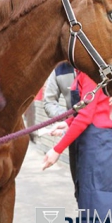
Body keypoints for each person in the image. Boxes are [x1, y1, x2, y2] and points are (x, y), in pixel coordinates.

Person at [42, 71, 112, 223]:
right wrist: (67, 123)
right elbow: (85, 110)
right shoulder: (79, 73)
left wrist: (57, 149)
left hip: (99, 147)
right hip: (91, 145)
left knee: (99, 208)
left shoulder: (89, 74)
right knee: (87, 205)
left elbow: (86, 116)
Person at [43, 61, 77, 197]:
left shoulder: (94, 62)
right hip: (74, 136)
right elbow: (49, 102)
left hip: (99, 134)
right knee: (79, 186)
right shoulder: (59, 69)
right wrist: (68, 118)